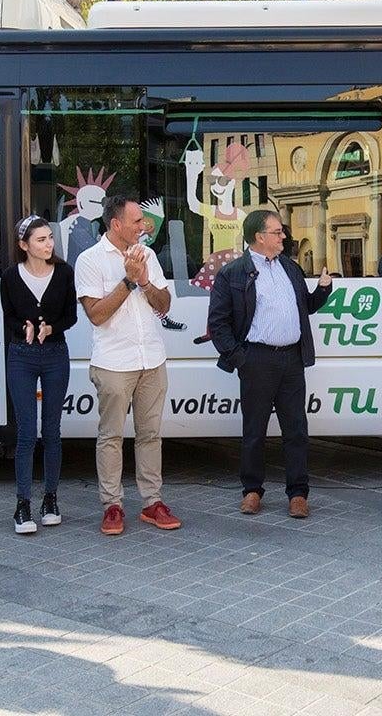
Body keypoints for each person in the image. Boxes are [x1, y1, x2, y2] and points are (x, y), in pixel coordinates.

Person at [206, 208, 332, 518]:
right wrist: (241, 359)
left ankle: (298, 494)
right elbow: (218, 323)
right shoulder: (233, 273)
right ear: (260, 237)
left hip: (291, 358)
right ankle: (252, 491)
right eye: (278, 232)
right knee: (254, 431)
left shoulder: (290, 268)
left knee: (296, 430)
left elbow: (306, 307)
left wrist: (324, 290)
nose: (284, 237)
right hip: (257, 360)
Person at [75, 191, 182, 536]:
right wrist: (128, 281)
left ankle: (152, 502)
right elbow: (96, 314)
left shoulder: (148, 254)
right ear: (116, 223)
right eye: (137, 220)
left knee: (150, 435)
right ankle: (113, 506)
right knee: (111, 436)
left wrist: (146, 281)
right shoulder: (90, 260)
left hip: (152, 358)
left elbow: (164, 304)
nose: (144, 225)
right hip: (113, 363)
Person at [0, 215, 78, 533]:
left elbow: (71, 315)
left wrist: (49, 328)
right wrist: (25, 327)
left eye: (50, 238)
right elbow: (9, 316)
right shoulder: (9, 277)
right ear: (24, 245)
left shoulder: (64, 273)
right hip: (21, 356)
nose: (49, 244)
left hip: (56, 355)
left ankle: (51, 499)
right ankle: (22, 505)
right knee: (27, 433)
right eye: (41, 240)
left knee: (52, 431)